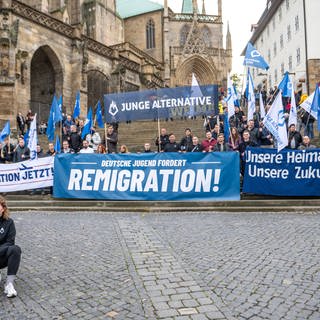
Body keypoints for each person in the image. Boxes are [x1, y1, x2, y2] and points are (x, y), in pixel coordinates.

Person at [0, 196, 22, 298]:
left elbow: (10, 242)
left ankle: (9, 284)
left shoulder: (9, 222)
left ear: (3, 208)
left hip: (2, 255)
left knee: (15, 249)